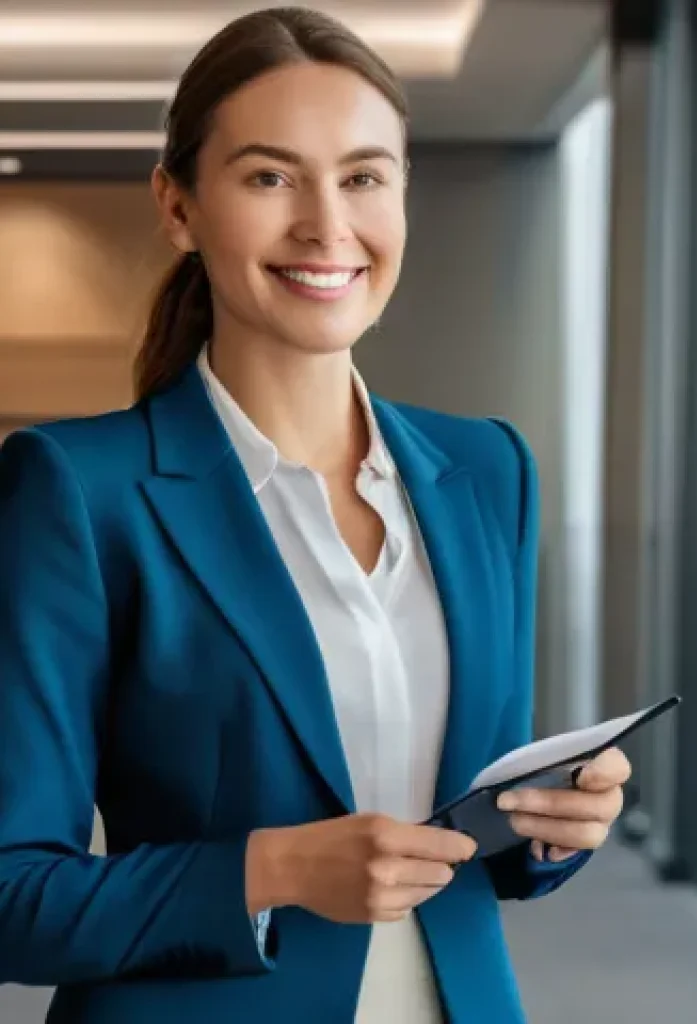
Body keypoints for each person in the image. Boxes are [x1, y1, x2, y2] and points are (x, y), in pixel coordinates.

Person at [0, 7, 632, 1023]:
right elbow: (11, 894)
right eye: (268, 176)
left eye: (363, 176)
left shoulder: (487, 468)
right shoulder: (76, 488)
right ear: (177, 206)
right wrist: (270, 869)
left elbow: (476, 842)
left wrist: (552, 827)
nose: (327, 226)